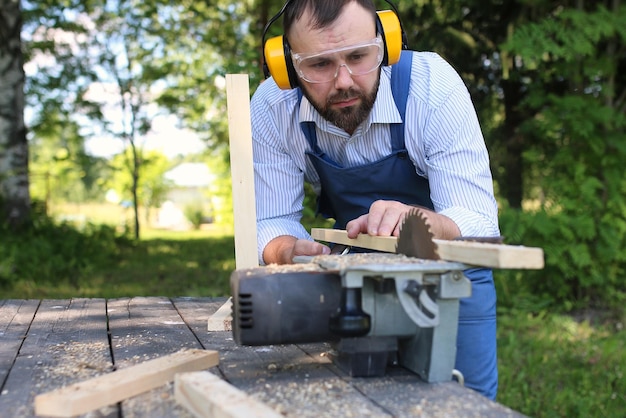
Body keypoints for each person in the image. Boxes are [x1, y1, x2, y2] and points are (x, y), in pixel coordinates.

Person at [250, 0, 500, 400]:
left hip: (450, 270)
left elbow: (478, 220)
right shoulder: (272, 106)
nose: (344, 81)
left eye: (358, 56)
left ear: (387, 43)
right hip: (352, 274)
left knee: (464, 400)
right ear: (285, 66)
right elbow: (270, 220)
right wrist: (288, 250)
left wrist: (422, 223)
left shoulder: (432, 85)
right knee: (353, 397)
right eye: (319, 65)